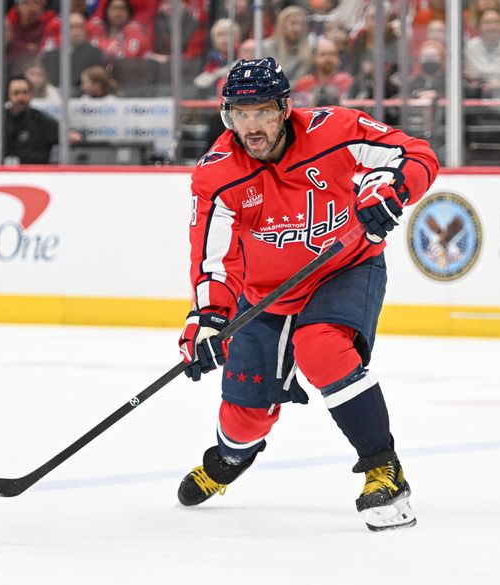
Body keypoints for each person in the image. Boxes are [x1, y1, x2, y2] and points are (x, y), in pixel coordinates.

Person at [176, 57, 439, 531]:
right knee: (244, 420)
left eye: (260, 111)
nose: (250, 125)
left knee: (321, 348)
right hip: (264, 295)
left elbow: (415, 153)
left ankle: (384, 469)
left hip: (344, 266)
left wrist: (392, 188)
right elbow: (214, 259)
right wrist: (209, 319)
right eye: (240, 113)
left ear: (284, 108)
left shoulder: (335, 129)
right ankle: (230, 459)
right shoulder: (216, 175)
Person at [0, 75, 59, 164]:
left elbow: (65, 136)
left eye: (25, 92)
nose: (21, 97)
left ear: (31, 95)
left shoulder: (42, 121)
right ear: (8, 95)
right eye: (16, 93)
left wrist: (72, 136)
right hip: (3, 175)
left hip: (35, 175)